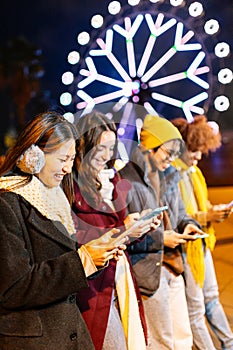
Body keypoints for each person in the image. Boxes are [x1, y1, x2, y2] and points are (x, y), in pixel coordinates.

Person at [0, 111, 129, 350]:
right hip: (34, 340)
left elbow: (58, 259)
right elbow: (13, 288)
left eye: (72, 159)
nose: (68, 169)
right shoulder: (7, 203)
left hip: (67, 331)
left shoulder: (55, 195)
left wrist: (96, 254)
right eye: (62, 160)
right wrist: (82, 261)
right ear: (33, 155)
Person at [72, 111, 161, 350]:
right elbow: (77, 237)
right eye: (101, 147)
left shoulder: (112, 179)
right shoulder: (72, 185)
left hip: (120, 278)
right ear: (85, 146)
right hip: (95, 288)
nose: (107, 155)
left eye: (111, 148)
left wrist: (136, 226)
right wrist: (123, 228)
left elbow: (118, 229)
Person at [119, 114, 206, 350]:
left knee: (182, 337)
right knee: (161, 342)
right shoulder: (125, 180)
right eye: (167, 152)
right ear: (148, 147)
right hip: (148, 271)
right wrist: (161, 238)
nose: (170, 159)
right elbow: (121, 236)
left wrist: (188, 226)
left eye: (174, 154)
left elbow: (180, 214)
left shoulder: (169, 176)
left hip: (173, 265)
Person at [171, 115, 233, 350]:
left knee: (213, 298)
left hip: (202, 244)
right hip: (186, 247)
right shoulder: (173, 174)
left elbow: (200, 205)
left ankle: (229, 344)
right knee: (196, 308)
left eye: (201, 151)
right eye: (194, 151)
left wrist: (212, 211)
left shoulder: (194, 172)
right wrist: (207, 216)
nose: (198, 156)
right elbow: (178, 217)